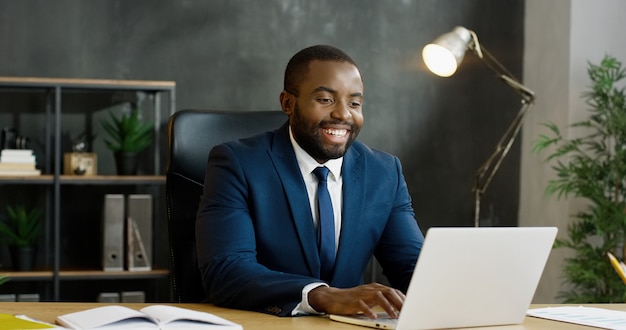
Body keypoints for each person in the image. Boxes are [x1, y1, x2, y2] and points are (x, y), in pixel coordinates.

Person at [196, 45, 424, 318]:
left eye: (354, 103)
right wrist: (323, 296)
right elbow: (226, 270)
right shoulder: (237, 163)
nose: (343, 115)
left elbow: (414, 267)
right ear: (288, 103)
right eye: (326, 100)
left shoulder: (384, 171)